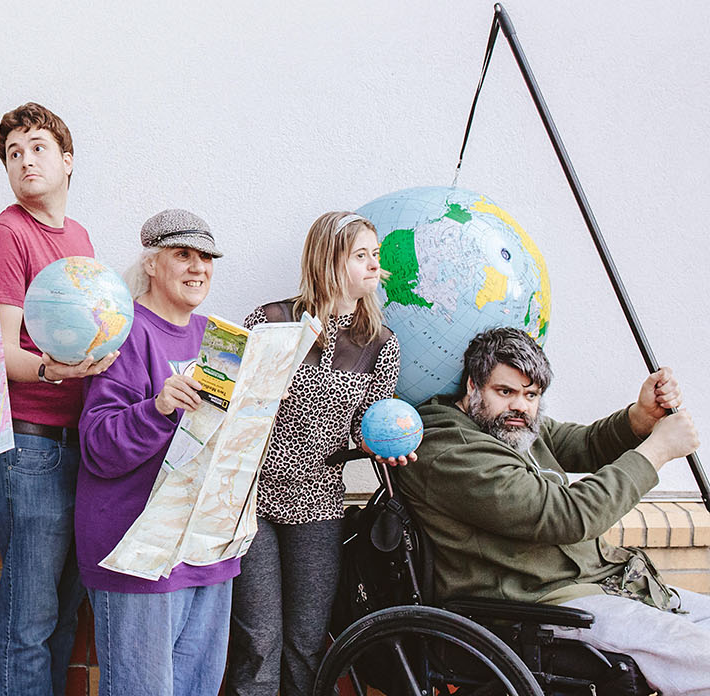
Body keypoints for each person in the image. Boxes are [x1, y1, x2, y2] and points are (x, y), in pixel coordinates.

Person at [396, 327, 708, 693]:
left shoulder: (506, 426)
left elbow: (585, 444)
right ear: (471, 387)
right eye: (505, 391)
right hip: (535, 605)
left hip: (600, 585)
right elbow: (569, 515)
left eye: (531, 395)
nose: (520, 405)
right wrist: (656, 452)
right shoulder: (453, 453)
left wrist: (640, 418)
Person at [227, 211, 406, 696]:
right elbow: (229, 402)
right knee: (258, 640)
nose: (375, 267)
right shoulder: (270, 322)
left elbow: (361, 429)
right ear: (329, 259)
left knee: (307, 641)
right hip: (253, 500)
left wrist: (380, 444)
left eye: (376, 256)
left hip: (319, 501)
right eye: (361, 255)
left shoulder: (379, 344)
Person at [0, 102, 116, 696]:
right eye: (13, 153)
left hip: (77, 445)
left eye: (37, 147)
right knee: (29, 622)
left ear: (68, 159)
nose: (25, 160)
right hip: (27, 447)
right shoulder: (5, 234)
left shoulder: (77, 235)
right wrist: (57, 372)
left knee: (62, 615)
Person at [78, 210, 238, 695]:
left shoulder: (219, 338)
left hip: (206, 548)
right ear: (151, 264)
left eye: (206, 257)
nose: (198, 267)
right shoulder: (124, 331)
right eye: (182, 254)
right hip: (138, 551)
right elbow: (98, 444)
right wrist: (159, 407)